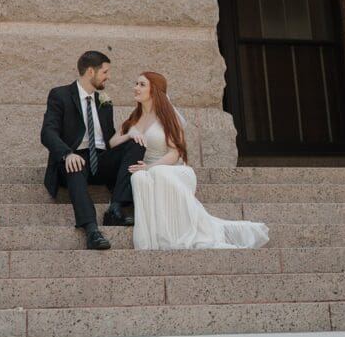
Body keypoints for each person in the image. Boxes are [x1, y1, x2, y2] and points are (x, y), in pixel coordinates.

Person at [112, 71, 269, 251]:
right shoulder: (134, 119)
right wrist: (129, 134)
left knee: (156, 172)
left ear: (154, 90)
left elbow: (175, 153)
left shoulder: (168, 118)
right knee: (137, 178)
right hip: (147, 171)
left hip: (172, 169)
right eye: (136, 83)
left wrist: (150, 167)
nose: (136, 88)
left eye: (141, 85)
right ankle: (155, 239)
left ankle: (189, 232)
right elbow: (112, 142)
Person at [41, 50, 145, 250]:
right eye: (105, 72)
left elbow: (110, 139)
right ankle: (91, 230)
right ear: (91, 72)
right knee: (76, 165)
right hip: (74, 158)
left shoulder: (104, 102)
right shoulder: (60, 95)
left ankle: (115, 209)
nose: (108, 76)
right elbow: (47, 132)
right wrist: (66, 153)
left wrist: (130, 135)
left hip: (100, 159)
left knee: (137, 143)